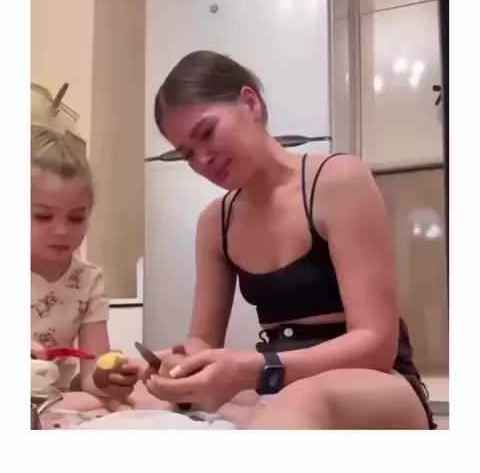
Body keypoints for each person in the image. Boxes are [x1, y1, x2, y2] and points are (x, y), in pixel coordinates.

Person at [145, 50, 436, 429]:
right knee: (157, 402)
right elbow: (203, 341)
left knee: (306, 397)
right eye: (187, 154)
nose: (203, 160)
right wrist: (177, 365)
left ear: (250, 103)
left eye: (207, 133)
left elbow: (376, 345)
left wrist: (257, 368)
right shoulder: (215, 222)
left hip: (378, 382)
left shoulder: (337, 180)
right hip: (280, 385)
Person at [31, 125, 139, 406]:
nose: (62, 231)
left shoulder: (88, 281)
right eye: (43, 216)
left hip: (54, 401)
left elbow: (91, 376)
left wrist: (108, 380)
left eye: (76, 218)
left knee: (107, 405)